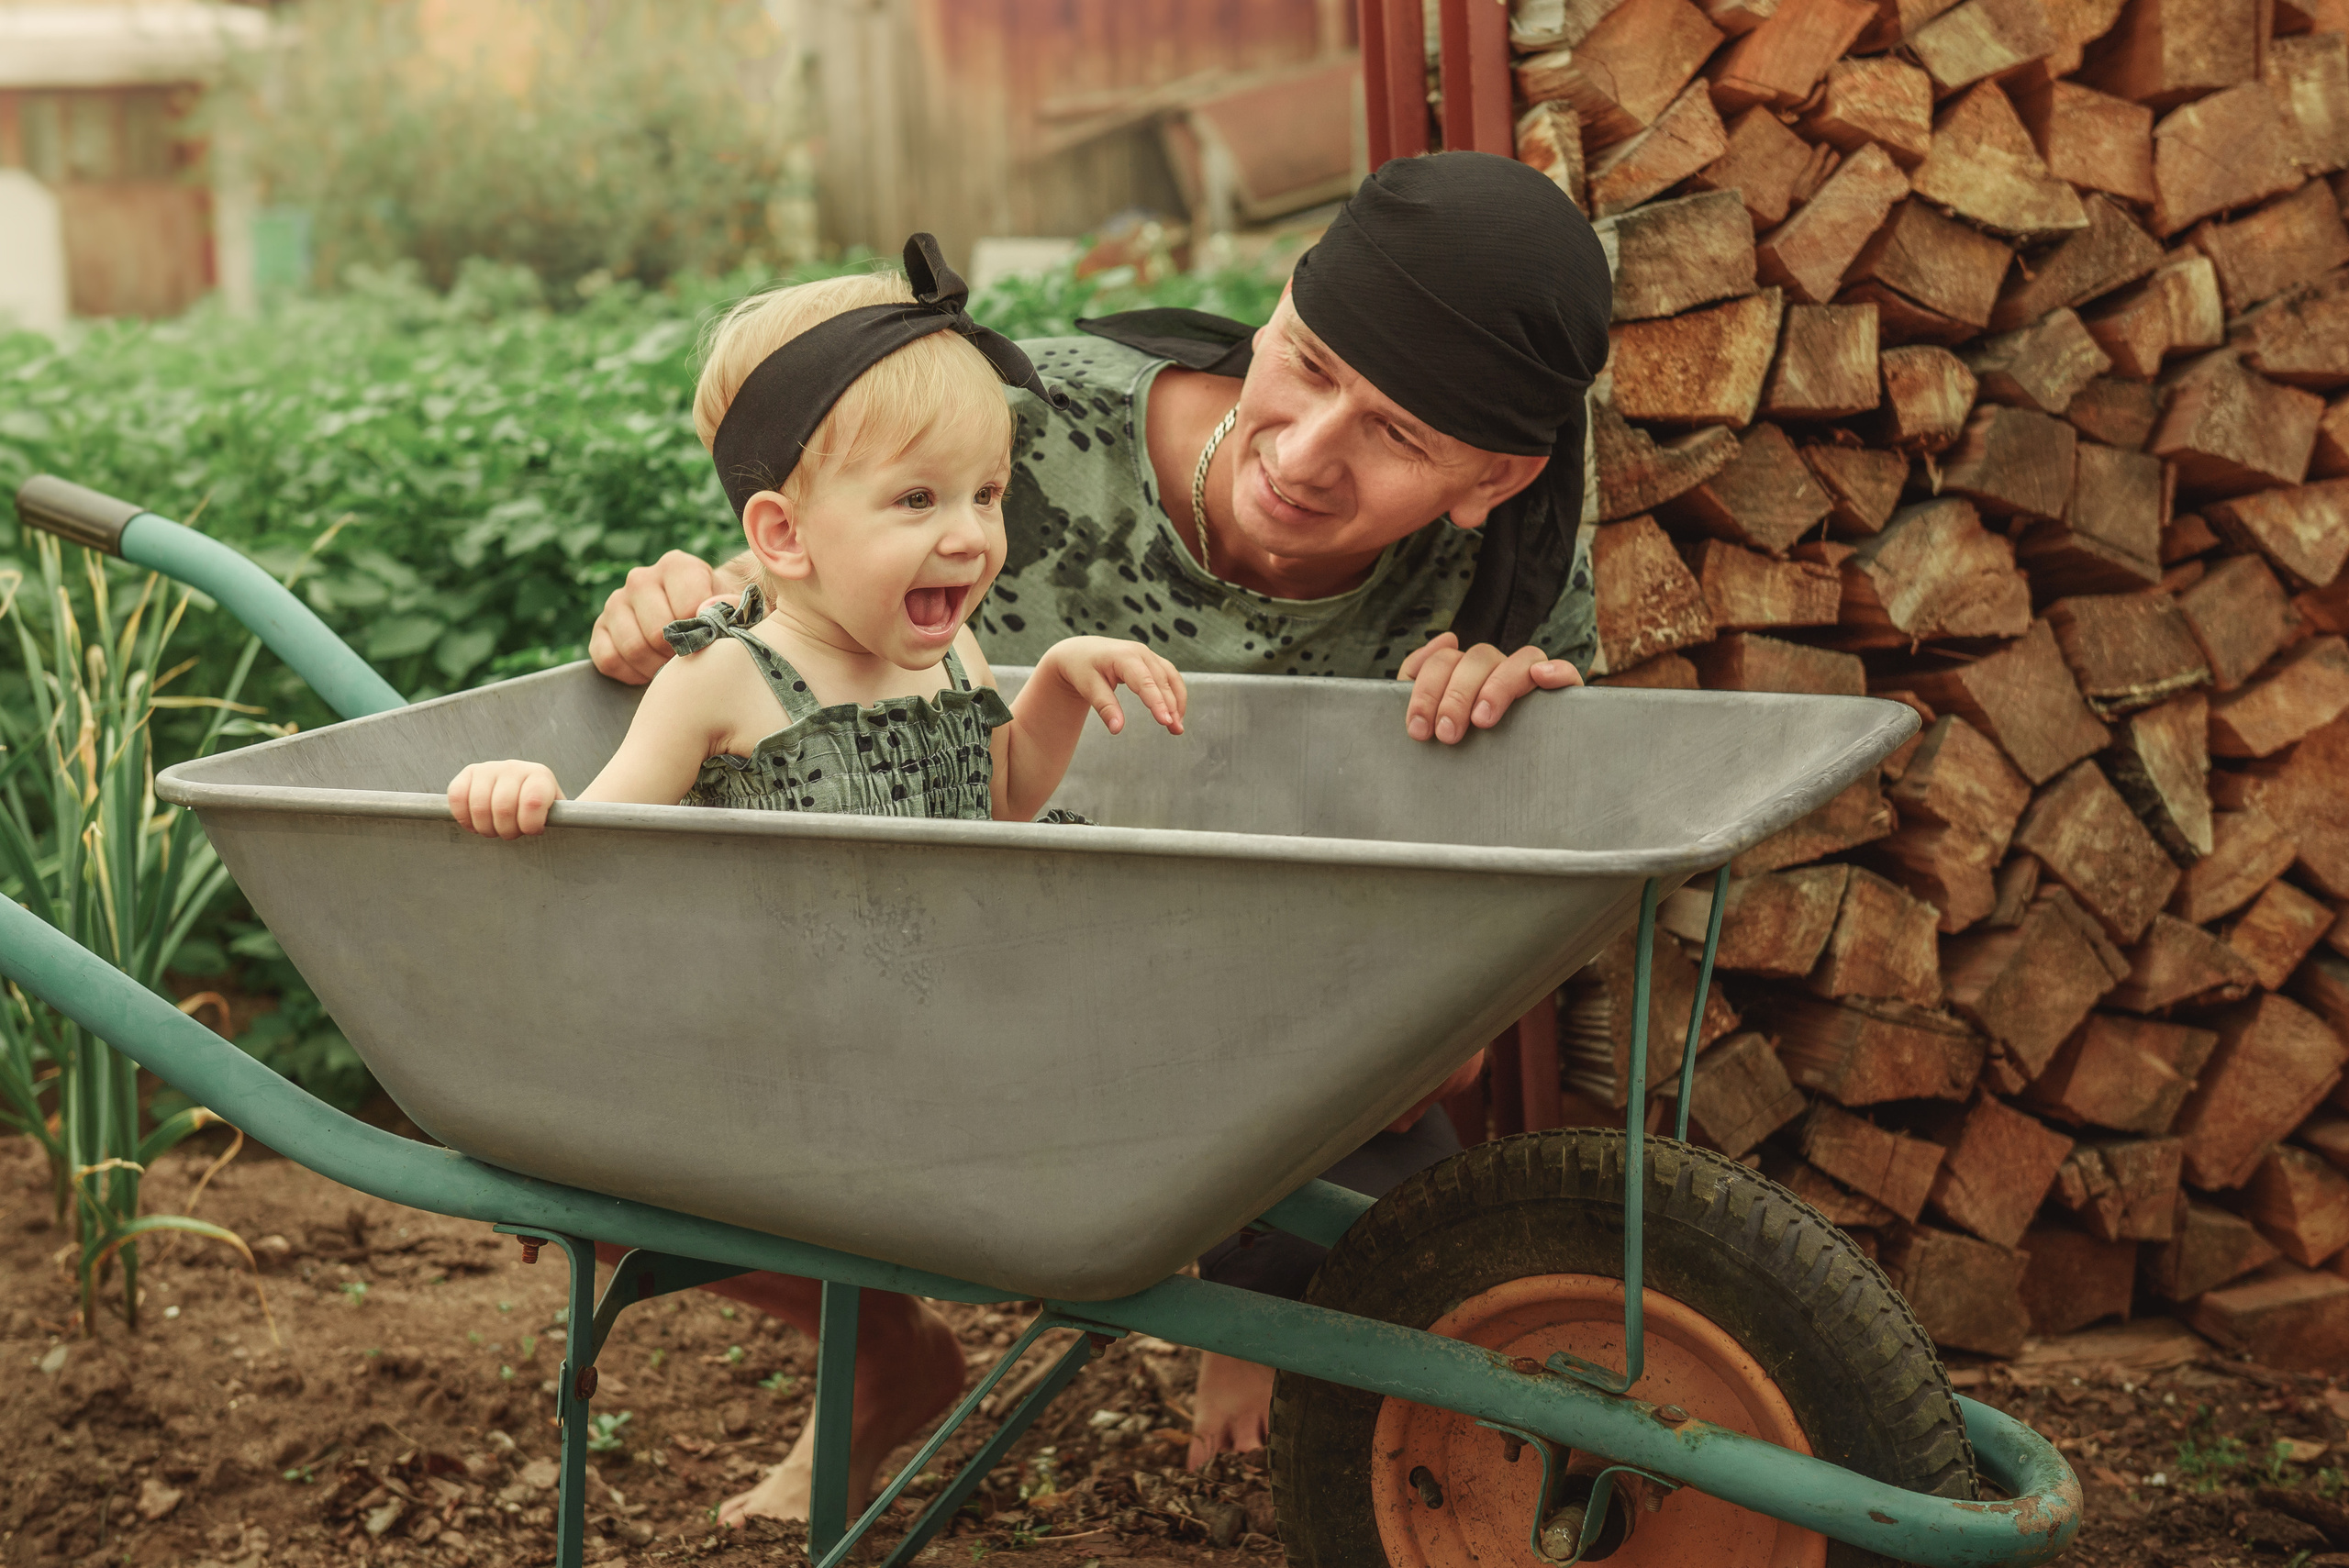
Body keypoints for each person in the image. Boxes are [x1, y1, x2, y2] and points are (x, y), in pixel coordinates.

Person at [585, 152, 1613, 1520]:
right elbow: (791, 590)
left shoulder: (1507, 559)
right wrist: (681, 599)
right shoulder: (1014, 414)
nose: (1305, 453)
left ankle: (1247, 1303)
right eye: (1305, 367)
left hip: (1254, 1024)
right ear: (1278, 304)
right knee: (615, 1117)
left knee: (1431, 1060)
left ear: (1495, 477)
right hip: (938, 979)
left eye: (1398, 437)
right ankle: (891, 1353)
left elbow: (1521, 896)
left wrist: (1522, 733)